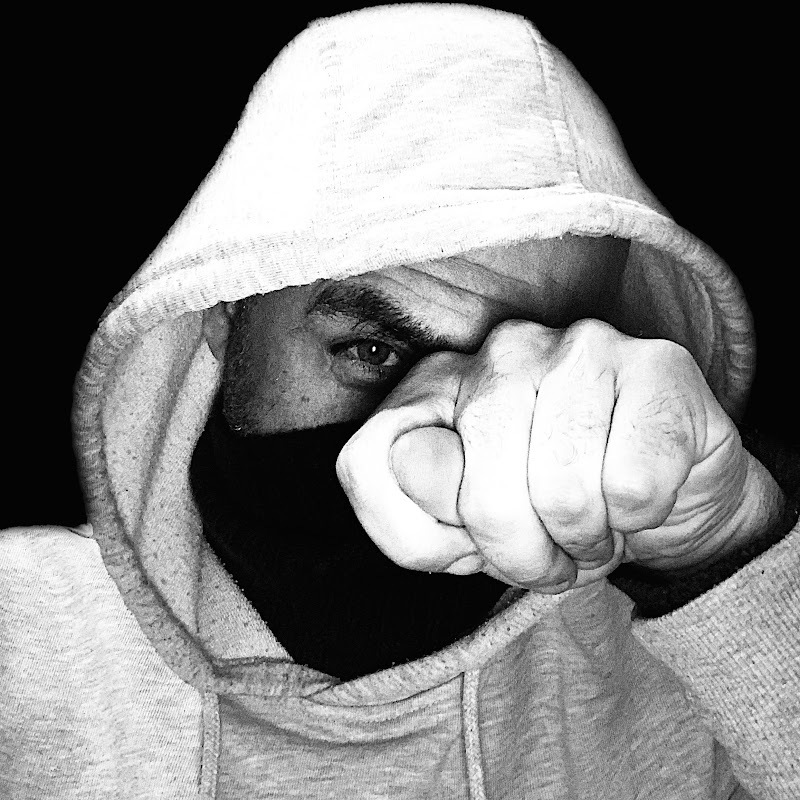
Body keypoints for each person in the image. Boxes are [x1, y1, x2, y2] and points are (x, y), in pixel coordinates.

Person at [2, 4, 797, 798]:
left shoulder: (688, 667)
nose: (436, 429)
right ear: (224, 316)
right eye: (373, 351)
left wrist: (732, 548)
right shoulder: (21, 637)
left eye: (527, 364)